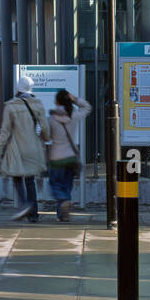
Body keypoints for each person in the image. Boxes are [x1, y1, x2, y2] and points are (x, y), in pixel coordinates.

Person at [0, 75, 49, 222]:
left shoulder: (11, 106)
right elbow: (45, 127)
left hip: (17, 147)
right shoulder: (37, 104)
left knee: (17, 177)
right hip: (33, 147)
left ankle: (24, 205)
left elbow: (5, 132)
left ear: (18, 87)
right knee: (30, 180)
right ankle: (34, 216)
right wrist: (47, 139)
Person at [46, 88, 92, 222]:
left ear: (56, 102)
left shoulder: (51, 119)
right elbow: (87, 107)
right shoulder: (74, 116)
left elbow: (47, 137)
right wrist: (75, 99)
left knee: (55, 185)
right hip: (71, 157)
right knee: (66, 185)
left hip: (56, 158)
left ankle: (64, 201)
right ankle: (62, 215)